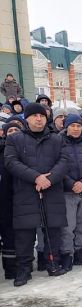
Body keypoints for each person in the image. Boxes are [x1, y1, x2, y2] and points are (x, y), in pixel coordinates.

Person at [4, 103, 69, 285]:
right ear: (27, 118)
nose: (38, 119)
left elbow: (64, 161)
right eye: (34, 116)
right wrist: (36, 178)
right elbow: (11, 162)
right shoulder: (15, 139)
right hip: (26, 191)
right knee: (24, 233)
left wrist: (49, 179)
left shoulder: (57, 139)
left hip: (51, 190)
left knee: (53, 230)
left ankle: (52, 263)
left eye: (41, 115)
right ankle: (24, 270)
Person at [60, 113, 82, 270]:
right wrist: (71, 183)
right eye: (72, 125)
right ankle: (67, 253)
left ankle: (80, 250)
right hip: (67, 190)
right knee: (68, 225)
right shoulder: (58, 143)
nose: (75, 128)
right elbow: (56, 166)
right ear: (66, 127)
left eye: (78, 126)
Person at [0, 119, 22, 280]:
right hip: (4, 199)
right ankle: (10, 270)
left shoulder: (26, 151)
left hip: (22, 197)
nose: (13, 134)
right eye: (10, 131)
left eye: (17, 130)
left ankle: (20, 266)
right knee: (8, 235)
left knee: (17, 235)